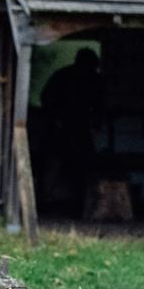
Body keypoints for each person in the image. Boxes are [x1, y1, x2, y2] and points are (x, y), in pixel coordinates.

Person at [39, 47, 104, 214]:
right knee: (58, 162)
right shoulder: (66, 77)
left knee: (76, 164)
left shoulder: (70, 76)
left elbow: (98, 104)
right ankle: (48, 201)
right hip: (64, 126)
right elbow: (46, 98)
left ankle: (79, 203)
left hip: (76, 126)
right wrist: (55, 118)